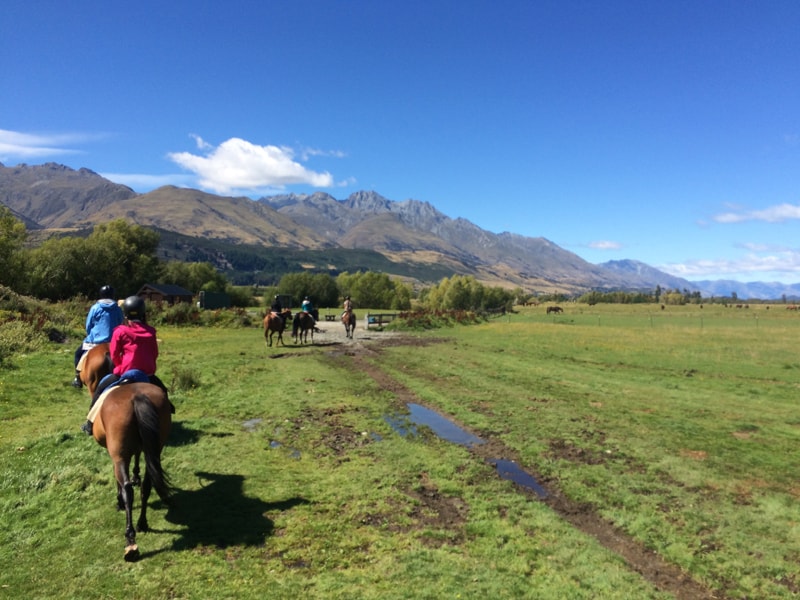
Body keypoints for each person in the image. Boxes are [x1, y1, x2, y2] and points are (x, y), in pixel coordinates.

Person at [81, 296, 168, 435]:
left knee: (101, 390)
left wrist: (119, 367)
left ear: (126, 314)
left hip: (125, 372)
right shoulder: (151, 331)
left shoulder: (120, 331)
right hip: (147, 374)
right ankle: (167, 414)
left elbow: (114, 354)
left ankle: (90, 423)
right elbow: (154, 353)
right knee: (163, 392)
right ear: (143, 313)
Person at [71, 285, 123, 388]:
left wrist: (91, 334)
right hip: (113, 341)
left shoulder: (95, 308)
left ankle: (77, 378)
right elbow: (121, 323)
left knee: (78, 354)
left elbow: (88, 325)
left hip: (95, 341)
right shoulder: (117, 309)